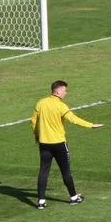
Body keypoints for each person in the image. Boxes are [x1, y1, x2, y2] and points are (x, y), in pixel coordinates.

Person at [31, 80, 104, 210]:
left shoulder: (41, 103)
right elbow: (73, 119)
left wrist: (37, 135)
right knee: (65, 171)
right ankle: (73, 197)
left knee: (43, 171)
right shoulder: (61, 106)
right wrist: (90, 125)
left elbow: (34, 121)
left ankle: (41, 201)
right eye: (65, 90)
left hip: (44, 143)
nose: (66, 93)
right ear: (58, 91)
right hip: (59, 143)